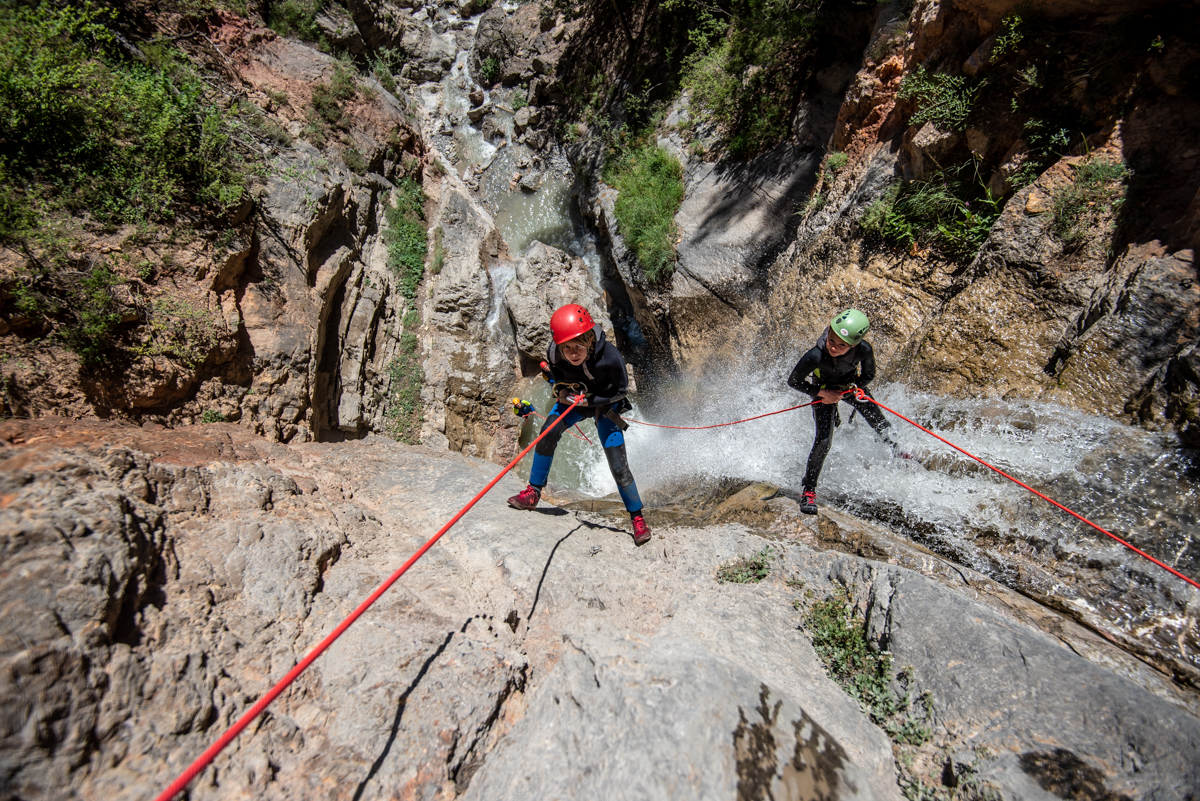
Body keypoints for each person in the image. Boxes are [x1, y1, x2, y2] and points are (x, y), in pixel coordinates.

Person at [507, 304, 653, 546]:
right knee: (547, 434)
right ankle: (533, 492)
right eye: (567, 348)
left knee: (618, 465)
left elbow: (620, 391)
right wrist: (561, 391)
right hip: (573, 401)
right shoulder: (554, 354)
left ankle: (637, 517)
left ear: (589, 340)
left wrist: (591, 400)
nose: (573, 353)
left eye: (578, 346)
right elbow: (556, 378)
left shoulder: (610, 357)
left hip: (604, 404)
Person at [787, 308, 907, 515]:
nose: (833, 347)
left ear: (853, 345)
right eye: (832, 340)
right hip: (823, 389)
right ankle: (808, 491)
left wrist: (854, 388)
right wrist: (822, 393)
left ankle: (898, 451)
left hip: (850, 386)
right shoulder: (815, 356)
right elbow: (794, 381)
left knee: (878, 421)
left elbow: (869, 374)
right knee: (824, 440)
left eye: (842, 345)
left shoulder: (863, 350)